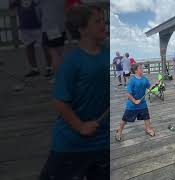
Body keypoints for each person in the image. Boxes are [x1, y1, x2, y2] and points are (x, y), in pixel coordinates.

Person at [40, 5, 109, 180]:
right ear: (82, 29)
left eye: (104, 20)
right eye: (98, 21)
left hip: (103, 141)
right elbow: (59, 102)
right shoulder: (71, 63)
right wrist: (80, 126)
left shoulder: (107, 55)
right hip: (72, 145)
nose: (104, 25)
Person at [9, 0, 52, 78]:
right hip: (25, 27)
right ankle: (34, 69)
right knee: (29, 47)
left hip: (40, 26)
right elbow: (11, 6)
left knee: (46, 47)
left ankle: (49, 67)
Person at [115, 63, 156, 141]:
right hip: (132, 104)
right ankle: (119, 131)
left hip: (142, 103)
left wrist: (154, 85)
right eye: (140, 68)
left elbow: (149, 87)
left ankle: (148, 129)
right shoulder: (132, 80)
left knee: (146, 117)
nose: (142, 69)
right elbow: (128, 94)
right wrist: (134, 101)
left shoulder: (144, 79)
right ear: (136, 70)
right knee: (125, 118)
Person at [39, 0, 66, 76]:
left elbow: (39, 12)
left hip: (50, 27)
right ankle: (62, 72)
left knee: (54, 53)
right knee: (59, 53)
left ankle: (58, 75)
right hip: (61, 26)